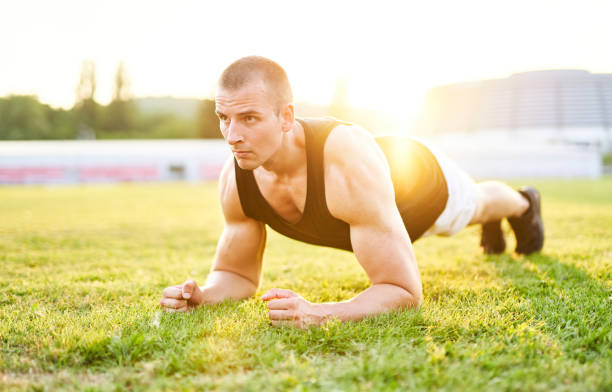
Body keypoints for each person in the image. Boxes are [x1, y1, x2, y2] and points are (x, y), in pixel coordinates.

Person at [159, 56, 544, 328]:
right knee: (476, 208)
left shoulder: (344, 161)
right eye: (224, 118)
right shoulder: (237, 178)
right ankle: (498, 220)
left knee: (476, 205)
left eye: (250, 118)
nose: (232, 136)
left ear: (287, 117)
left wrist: (318, 312)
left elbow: (402, 291)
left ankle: (524, 203)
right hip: (377, 206)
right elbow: (236, 274)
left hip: (420, 184)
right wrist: (205, 295)